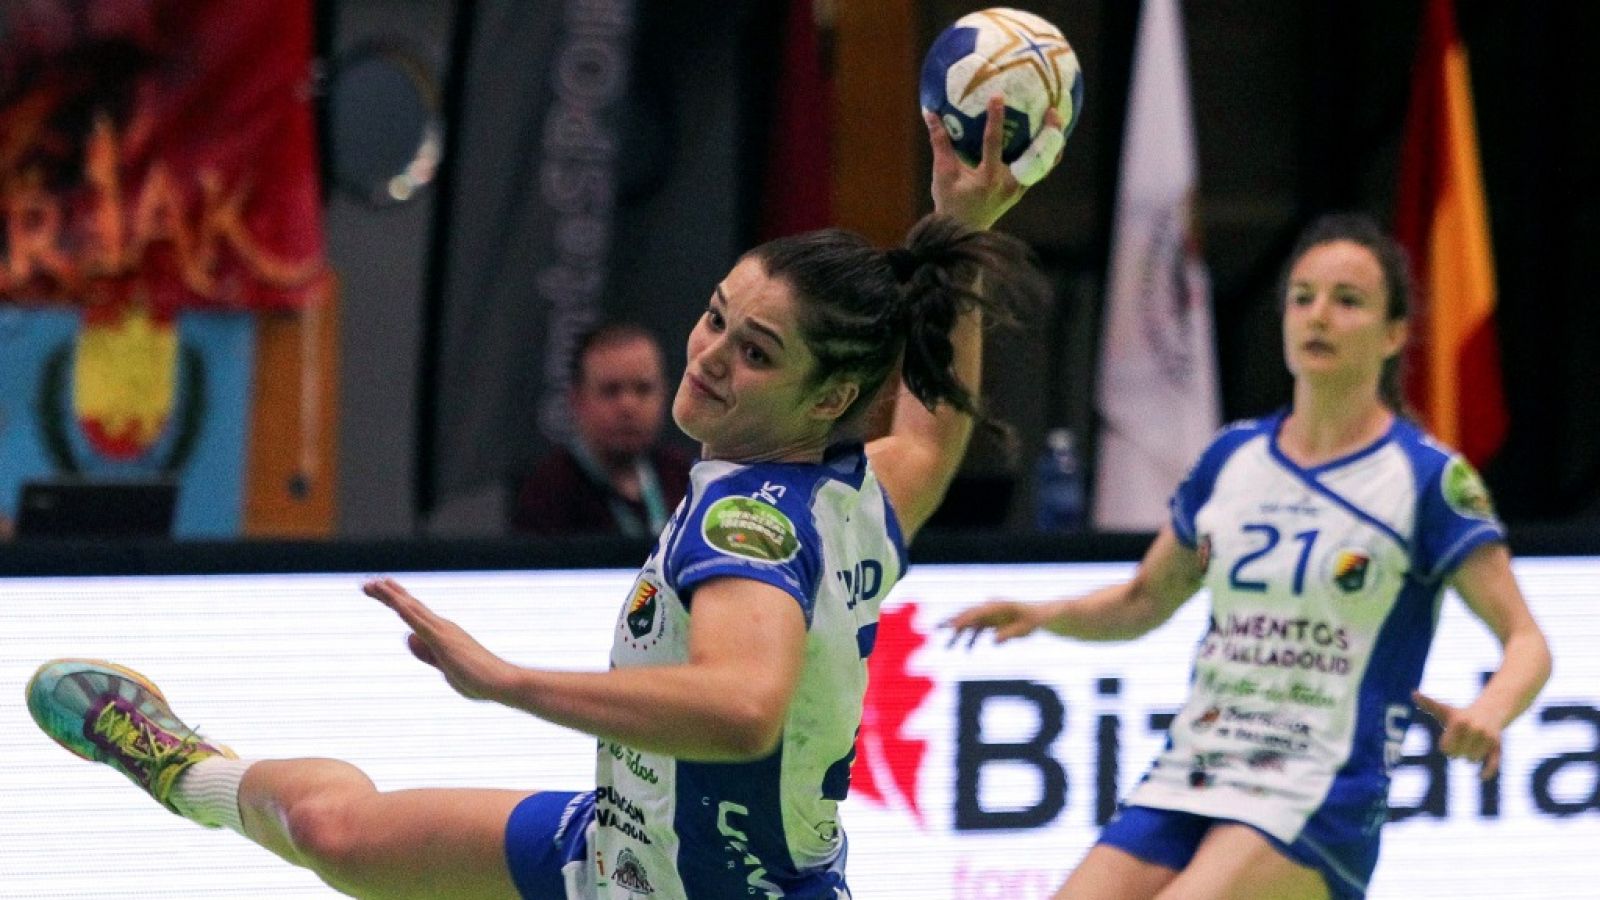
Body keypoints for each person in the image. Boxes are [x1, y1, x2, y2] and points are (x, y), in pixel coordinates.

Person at [27, 96, 1063, 899]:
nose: (707, 359)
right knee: (336, 834)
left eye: (755, 354)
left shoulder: (747, 522)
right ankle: (179, 761)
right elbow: (932, 430)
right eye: (714, 320)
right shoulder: (860, 492)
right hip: (616, 847)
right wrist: (957, 228)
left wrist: (507, 681)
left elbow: (743, 708)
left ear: (829, 396)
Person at [948, 212, 1552, 900]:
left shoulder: (1427, 480)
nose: (1318, 316)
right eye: (1303, 297)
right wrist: (1044, 613)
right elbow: (1146, 600)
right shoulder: (1231, 457)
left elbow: (1527, 640)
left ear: (1394, 334)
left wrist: (1491, 710)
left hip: (1320, 788)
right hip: (1196, 766)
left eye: (1347, 301)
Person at [510, 322, 693, 537]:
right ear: (576, 401)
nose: (628, 406)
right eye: (610, 390)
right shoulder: (546, 495)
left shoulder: (686, 478)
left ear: (664, 395)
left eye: (643, 389)